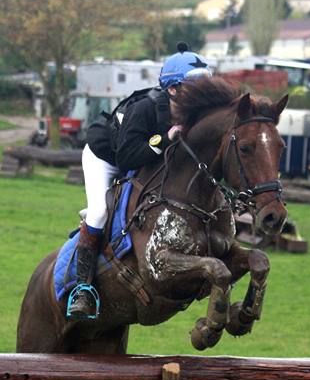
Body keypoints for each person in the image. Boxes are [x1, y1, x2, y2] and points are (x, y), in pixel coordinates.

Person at [66, 42, 212, 320]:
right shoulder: (144, 109)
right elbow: (127, 158)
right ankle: (83, 289)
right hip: (106, 157)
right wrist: (165, 140)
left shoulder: (194, 115)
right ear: (173, 90)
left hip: (141, 160)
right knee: (99, 211)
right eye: (196, 88)